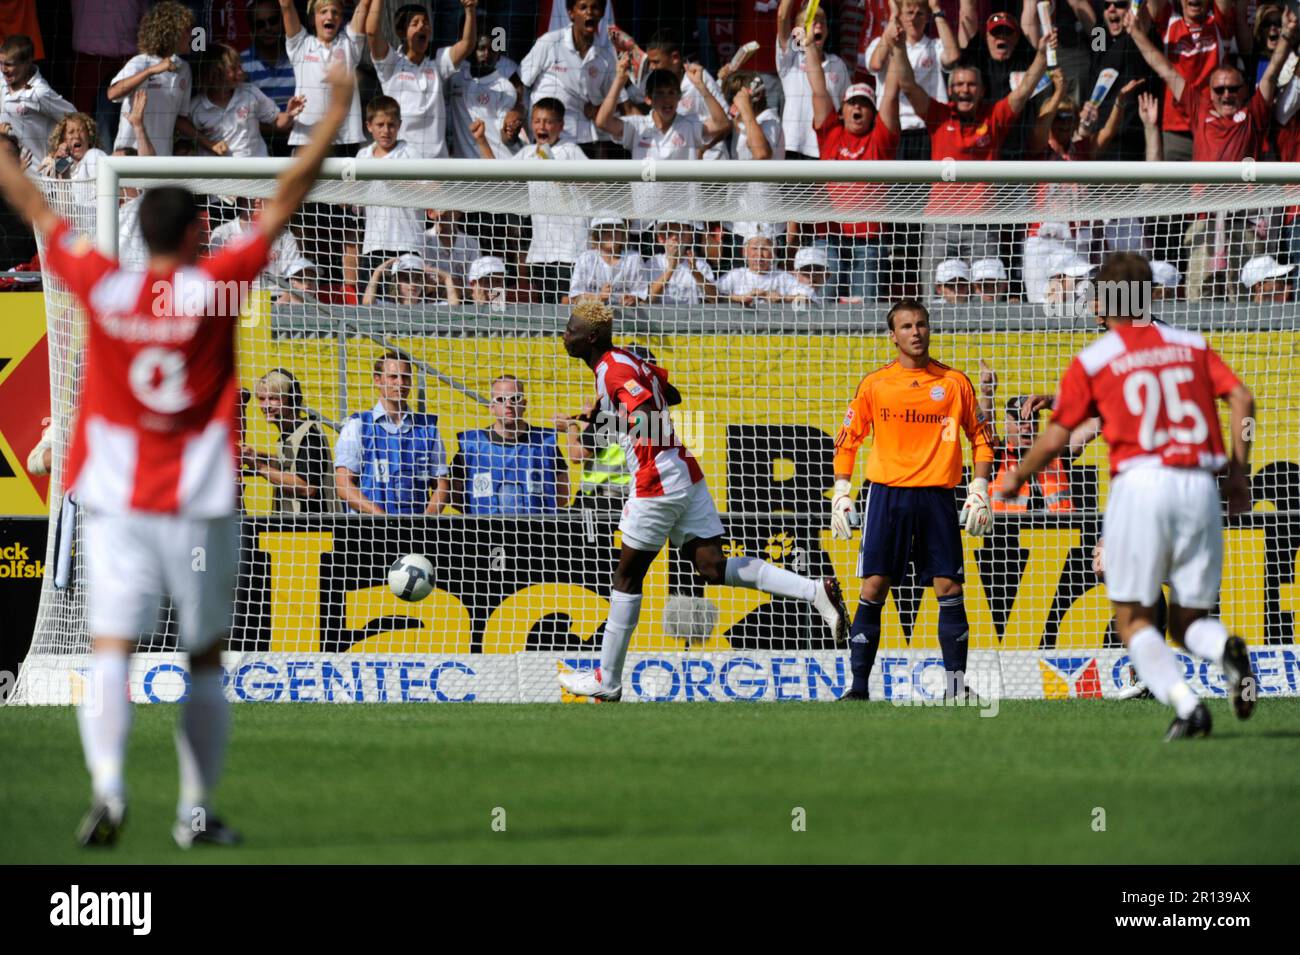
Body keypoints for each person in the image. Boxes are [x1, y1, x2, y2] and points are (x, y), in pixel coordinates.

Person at [0, 61, 355, 847]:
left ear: (139, 229)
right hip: (198, 502)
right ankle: (195, 810)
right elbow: (291, 191)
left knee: (109, 652)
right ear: (196, 234)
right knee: (202, 660)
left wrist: (3, 148)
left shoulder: (104, 286)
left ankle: (109, 790)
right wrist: (329, 119)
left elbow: (30, 200)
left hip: (118, 501)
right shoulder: (218, 288)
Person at [1002, 252, 1257, 739]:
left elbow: (1057, 437)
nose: (1091, 306)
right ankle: (1225, 647)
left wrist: (1018, 475)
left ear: (1109, 301)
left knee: (1133, 618)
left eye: (1095, 296)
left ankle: (1188, 707)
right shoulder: (1190, 345)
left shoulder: (1096, 358)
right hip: (1199, 487)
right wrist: (1239, 472)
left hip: (1141, 486)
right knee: (1189, 622)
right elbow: (1241, 400)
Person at [555, 302, 849, 700]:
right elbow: (669, 395)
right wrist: (605, 413)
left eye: (570, 330)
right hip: (683, 471)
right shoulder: (627, 356)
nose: (564, 335)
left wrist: (607, 418)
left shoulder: (614, 368)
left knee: (626, 578)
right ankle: (815, 591)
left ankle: (606, 680)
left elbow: (647, 419)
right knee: (711, 567)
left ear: (590, 337)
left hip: (656, 480)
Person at [830, 298, 995, 700]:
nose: (916, 332)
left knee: (949, 589)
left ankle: (956, 689)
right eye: (906, 326)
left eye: (921, 324)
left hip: (938, 497)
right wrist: (841, 492)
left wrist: (979, 488)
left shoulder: (955, 383)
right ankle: (858, 689)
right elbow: (847, 439)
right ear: (893, 336)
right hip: (887, 497)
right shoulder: (875, 384)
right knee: (873, 588)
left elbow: (981, 437)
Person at [902, 24, 1052, 289]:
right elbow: (908, 85)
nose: (965, 89)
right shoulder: (938, 115)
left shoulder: (994, 117)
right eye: (959, 84)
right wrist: (896, 48)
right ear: (950, 91)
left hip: (982, 224)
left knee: (988, 298)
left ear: (982, 91)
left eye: (971, 84)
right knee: (932, 297)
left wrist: (1041, 55)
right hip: (939, 224)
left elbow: (1024, 90)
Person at [811, 16, 903, 302]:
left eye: (864, 104)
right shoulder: (830, 134)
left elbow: (890, 94)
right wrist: (811, 49)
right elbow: (818, 88)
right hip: (829, 234)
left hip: (869, 236)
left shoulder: (881, 139)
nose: (858, 109)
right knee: (822, 308)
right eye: (852, 103)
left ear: (873, 113)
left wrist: (896, 47)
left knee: (864, 314)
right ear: (842, 110)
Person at [334, 351, 451, 515]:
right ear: (377, 380)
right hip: (369, 531)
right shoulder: (357, 426)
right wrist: (383, 519)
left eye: (405, 377)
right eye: (393, 377)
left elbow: (441, 484)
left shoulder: (428, 429)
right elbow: (343, 485)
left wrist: (425, 522)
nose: (400, 383)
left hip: (416, 534)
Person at [367, 0, 477, 159]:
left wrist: (470, 9)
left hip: (437, 162)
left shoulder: (438, 62)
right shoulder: (391, 63)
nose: (422, 26)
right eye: (415, 23)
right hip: (403, 161)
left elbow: (467, 44)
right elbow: (371, 31)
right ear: (402, 32)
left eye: (426, 22)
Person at [450, 375, 569, 515]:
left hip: (535, 532)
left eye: (515, 398)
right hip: (486, 532)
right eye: (501, 399)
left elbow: (563, 493)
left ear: (524, 404)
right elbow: (453, 494)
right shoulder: (472, 445)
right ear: (492, 408)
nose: (509, 404)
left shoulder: (544, 443)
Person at [520, 0, 620, 158]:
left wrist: (598, 110)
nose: (589, 12)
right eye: (583, 7)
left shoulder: (606, 57)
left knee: (588, 184)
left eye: (595, 7)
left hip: (585, 142)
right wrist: (517, 113)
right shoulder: (550, 42)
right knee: (542, 183)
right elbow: (520, 81)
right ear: (570, 13)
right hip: (547, 139)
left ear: (601, 14)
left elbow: (615, 102)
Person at [515, 98, 589, 302]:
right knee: (547, 316)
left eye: (548, 122)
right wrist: (481, 140)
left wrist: (563, 176)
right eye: (537, 121)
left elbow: (595, 186)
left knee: (570, 311)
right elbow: (496, 176)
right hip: (540, 255)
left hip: (570, 252)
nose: (542, 126)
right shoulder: (527, 154)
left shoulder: (571, 151)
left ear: (560, 126)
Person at [864, 0, 958, 160]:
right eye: (909, 13)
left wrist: (936, 10)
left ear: (927, 17)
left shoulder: (934, 46)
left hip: (927, 129)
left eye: (919, 13)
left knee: (925, 184)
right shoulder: (881, 44)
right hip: (893, 129)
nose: (914, 18)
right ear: (900, 16)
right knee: (892, 184)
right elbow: (876, 64)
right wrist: (893, 16)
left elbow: (953, 56)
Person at [106, 1, 199, 158]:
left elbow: (180, 119)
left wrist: (208, 142)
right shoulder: (141, 62)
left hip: (161, 159)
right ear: (171, 33)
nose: (192, 35)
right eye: (187, 30)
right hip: (131, 156)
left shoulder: (184, 69)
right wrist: (150, 71)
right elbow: (112, 93)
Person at [242, 368, 336, 513]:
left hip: (314, 531)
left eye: (273, 398)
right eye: (262, 399)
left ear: (292, 399)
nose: (266, 405)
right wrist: (257, 456)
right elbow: (289, 465)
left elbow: (307, 487)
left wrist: (259, 466)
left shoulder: (309, 433)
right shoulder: (289, 434)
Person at [281, 0, 370, 152]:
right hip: (308, 138)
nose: (330, 16)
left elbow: (364, 5)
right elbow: (286, 5)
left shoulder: (349, 43)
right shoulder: (300, 45)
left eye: (335, 12)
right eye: (323, 12)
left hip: (345, 140)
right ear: (312, 19)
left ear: (341, 19)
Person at [190, 43, 305, 158]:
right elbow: (187, 136)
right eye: (234, 69)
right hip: (217, 173)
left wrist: (289, 114)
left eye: (240, 66)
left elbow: (276, 120)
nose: (240, 72)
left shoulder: (250, 92)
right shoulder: (196, 106)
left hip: (255, 170)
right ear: (214, 73)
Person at [357, 96, 424, 276]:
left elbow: (432, 190)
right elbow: (356, 204)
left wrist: (398, 184)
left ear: (399, 125)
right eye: (380, 125)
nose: (386, 130)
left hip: (407, 245)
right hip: (373, 246)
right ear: (369, 125)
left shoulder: (411, 154)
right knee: (368, 303)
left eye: (391, 125)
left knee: (406, 304)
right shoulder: (362, 156)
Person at [776, 0, 851, 160]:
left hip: (827, 144)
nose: (818, 27)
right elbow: (782, 16)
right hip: (793, 144)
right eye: (811, 23)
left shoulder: (837, 63)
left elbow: (846, 104)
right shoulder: (792, 58)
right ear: (798, 31)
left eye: (822, 23)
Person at [642, 31, 731, 159]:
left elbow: (727, 123)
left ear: (675, 57)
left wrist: (704, 148)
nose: (651, 67)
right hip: (680, 163)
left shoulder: (698, 78)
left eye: (656, 62)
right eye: (649, 62)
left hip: (711, 162)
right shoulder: (652, 81)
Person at [0, 35, 75, 164]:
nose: (3, 69)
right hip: (7, 174)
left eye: (9, 65)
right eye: (0, 63)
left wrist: (63, 146)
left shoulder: (39, 93)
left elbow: (75, 119)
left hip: (36, 177)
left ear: (27, 63)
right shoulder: (2, 79)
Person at [569, 217, 648, 305]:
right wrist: (598, 298)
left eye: (616, 230)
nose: (611, 234)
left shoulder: (634, 258)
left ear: (622, 234)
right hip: (591, 316)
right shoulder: (586, 259)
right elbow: (575, 296)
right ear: (597, 235)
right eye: (605, 230)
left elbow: (641, 294)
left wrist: (632, 299)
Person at [717, 234, 810, 305]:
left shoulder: (783, 277)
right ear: (745, 252)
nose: (759, 255)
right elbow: (713, 295)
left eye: (764, 249)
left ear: (773, 253)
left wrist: (783, 299)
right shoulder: (735, 275)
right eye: (754, 248)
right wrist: (739, 298)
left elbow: (810, 298)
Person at [644, 220, 717, 305]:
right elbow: (647, 299)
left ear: (688, 237)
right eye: (669, 233)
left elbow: (715, 299)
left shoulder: (700, 265)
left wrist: (696, 273)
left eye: (680, 233)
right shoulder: (653, 263)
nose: (675, 237)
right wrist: (671, 269)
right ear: (660, 239)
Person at [241, 0, 297, 111]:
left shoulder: (298, 57)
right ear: (253, 29)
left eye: (273, 21)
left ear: (282, 21)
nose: (268, 28)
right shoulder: (241, 64)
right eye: (260, 24)